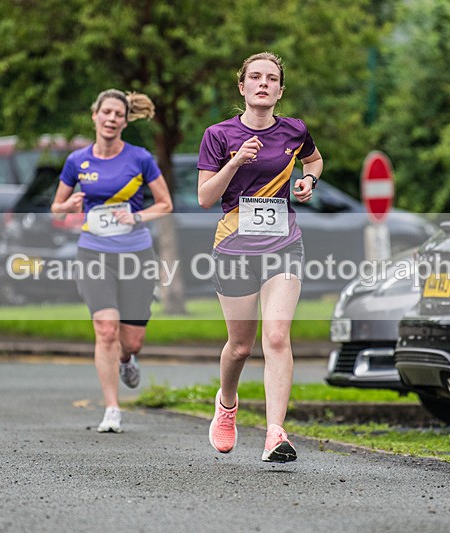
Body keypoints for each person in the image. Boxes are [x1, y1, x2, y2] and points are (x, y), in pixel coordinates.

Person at [197, 52, 323, 462]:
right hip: (233, 248)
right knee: (239, 347)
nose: (263, 83)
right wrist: (235, 161)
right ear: (243, 86)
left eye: (271, 78)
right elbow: (204, 198)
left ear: (280, 90)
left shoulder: (295, 130)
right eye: (255, 77)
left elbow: (314, 159)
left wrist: (308, 180)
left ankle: (275, 433)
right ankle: (227, 405)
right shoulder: (219, 135)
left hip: (283, 244)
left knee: (276, 336)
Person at [51, 89, 172, 433]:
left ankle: (127, 358)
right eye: (106, 112)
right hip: (94, 252)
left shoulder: (140, 158)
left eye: (118, 114)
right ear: (95, 115)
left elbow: (164, 204)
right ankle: (112, 409)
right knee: (105, 330)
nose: (111, 119)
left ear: (124, 120)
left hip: (135, 254)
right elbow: (56, 207)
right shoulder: (77, 161)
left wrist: (136, 218)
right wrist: (68, 207)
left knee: (130, 340)